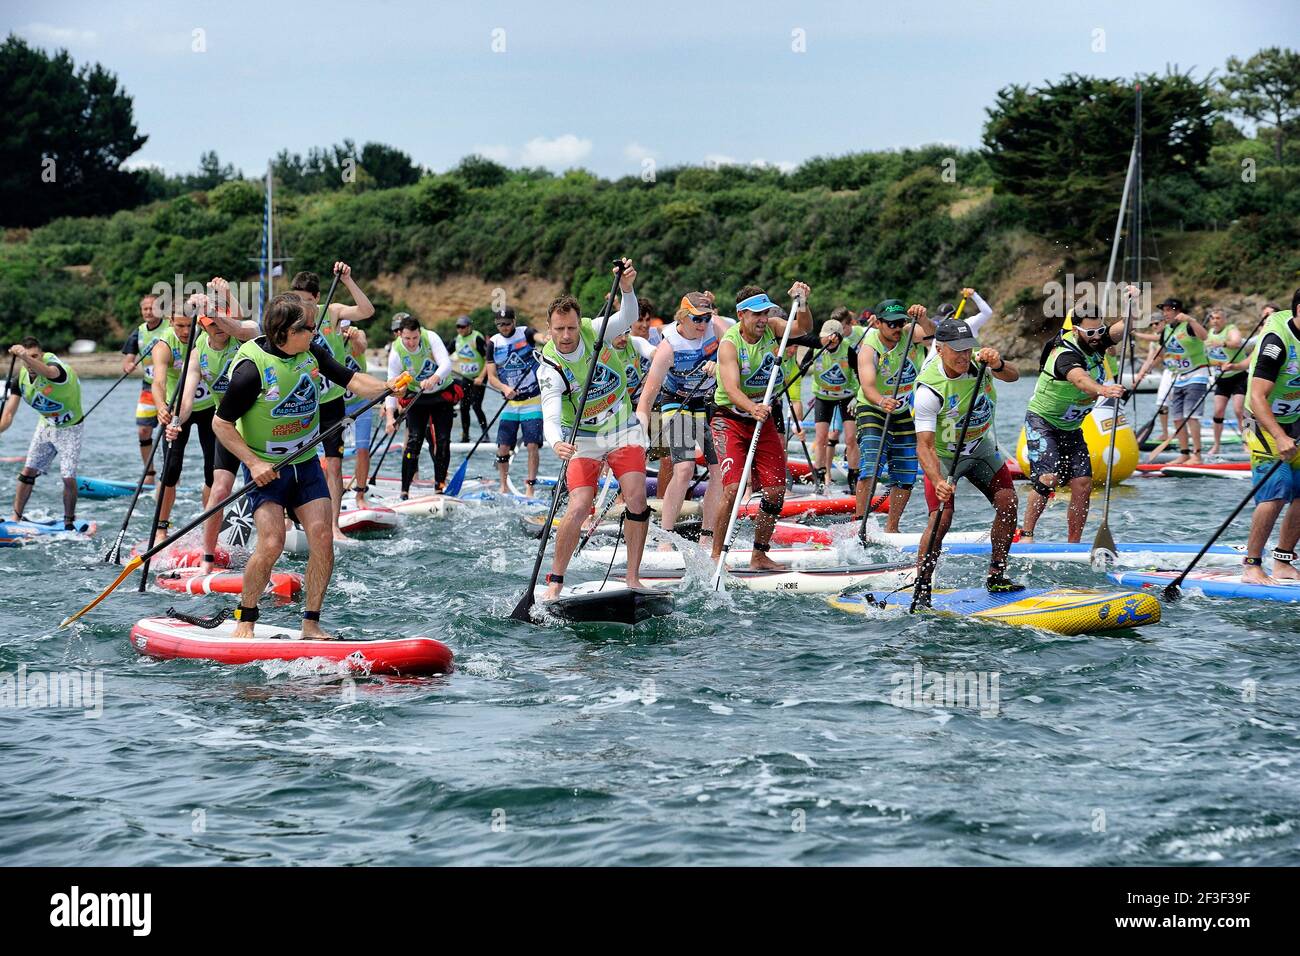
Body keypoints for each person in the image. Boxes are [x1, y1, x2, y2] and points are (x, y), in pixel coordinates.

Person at [212, 293, 401, 639]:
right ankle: (246, 619)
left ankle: (310, 622)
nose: (315, 333)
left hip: (305, 463)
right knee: (271, 542)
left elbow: (352, 380)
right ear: (284, 331)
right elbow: (221, 425)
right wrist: (254, 464)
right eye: (308, 328)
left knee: (323, 537)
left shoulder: (310, 351)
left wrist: (389, 388)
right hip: (268, 468)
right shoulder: (250, 370)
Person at [539, 260, 649, 599]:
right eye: (559, 330)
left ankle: (632, 577)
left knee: (636, 496)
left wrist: (627, 287)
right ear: (550, 328)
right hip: (581, 438)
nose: (567, 336)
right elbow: (550, 414)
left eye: (571, 328)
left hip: (622, 429)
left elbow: (628, 317)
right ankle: (555, 581)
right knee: (579, 504)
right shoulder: (550, 367)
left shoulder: (593, 329)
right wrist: (556, 442)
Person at [911, 318, 1022, 605]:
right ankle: (922, 584)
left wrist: (998, 365)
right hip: (945, 457)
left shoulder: (981, 364)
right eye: (956, 350)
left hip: (980, 449)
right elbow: (923, 446)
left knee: (1008, 503)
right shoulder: (929, 390)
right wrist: (937, 481)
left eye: (967, 348)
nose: (963, 356)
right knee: (942, 518)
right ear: (939, 349)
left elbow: (1014, 376)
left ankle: (996, 575)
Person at [710, 282, 813, 571]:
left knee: (775, 491)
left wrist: (802, 302)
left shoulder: (775, 327)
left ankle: (759, 554)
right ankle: (717, 555)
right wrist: (752, 407)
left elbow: (803, 328)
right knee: (732, 489)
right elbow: (730, 388)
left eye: (765, 313)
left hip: (762, 416)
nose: (762, 319)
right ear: (741, 314)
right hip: (729, 417)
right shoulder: (730, 344)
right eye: (755, 314)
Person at [1019, 300, 1130, 542]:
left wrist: (1131, 304)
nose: (1096, 336)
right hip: (1043, 422)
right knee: (1048, 480)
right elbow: (1080, 380)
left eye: (1099, 330)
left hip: (1070, 428)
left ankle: (1074, 542)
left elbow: (1122, 328)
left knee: (1082, 484)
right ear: (1076, 329)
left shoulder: (1096, 340)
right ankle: (1026, 534)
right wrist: (1103, 390)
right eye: (1089, 332)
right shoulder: (1064, 354)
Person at [165, 287, 256, 570]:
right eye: (212, 323)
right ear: (202, 324)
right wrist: (176, 422)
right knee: (219, 491)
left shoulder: (244, 337)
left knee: (265, 490)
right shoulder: (197, 353)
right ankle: (208, 558)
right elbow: (188, 398)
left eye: (222, 320)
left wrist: (218, 304)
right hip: (227, 427)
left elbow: (244, 326)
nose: (220, 327)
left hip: (259, 425)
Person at [637, 292, 735, 551]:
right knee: (684, 469)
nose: (703, 325)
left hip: (707, 404)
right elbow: (646, 398)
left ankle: (707, 536)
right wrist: (638, 434)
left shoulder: (716, 330)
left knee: (719, 473)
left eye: (707, 318)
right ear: (683, 317)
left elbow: (735, 347)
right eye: (697, 319)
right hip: (674, 403)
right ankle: (665, 538)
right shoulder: (669, 347)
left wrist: (722, 365)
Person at [291, 264, 375, 541]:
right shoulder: (291, 318)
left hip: (331, 402)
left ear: (316, 297)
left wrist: (348, 279)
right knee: (294, 463)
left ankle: (334, 526)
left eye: (305, 299)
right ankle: (291, 521)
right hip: (302, 403)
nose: (300, 304)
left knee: (335, 465)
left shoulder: (334, 312)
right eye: (296, 298)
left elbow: (366, 311)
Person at [854, 299, 935, 532]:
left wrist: (923, 318)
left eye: (901, 322)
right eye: (891, 324)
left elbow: (933, 335)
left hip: (904, 409)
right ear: (878, 323)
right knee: (871, 463)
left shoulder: (910, 334)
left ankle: (892, 528)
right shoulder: (869, 349)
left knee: (906, 471)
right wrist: (882, 400)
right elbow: (868, 386)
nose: (897, 328)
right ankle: (861, 523)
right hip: (873, 406)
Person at [1240, 290, 1300, 586]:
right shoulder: (1277, 343)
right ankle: (1251, 566)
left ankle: (1283, 561)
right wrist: (1279, 436)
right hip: (1261, 420)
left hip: (1295, 418)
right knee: (1277, 490)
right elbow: (1258, 396)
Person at [0, 338, 84, 528]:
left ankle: (69, 522)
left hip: (71, 429)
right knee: (28, 471)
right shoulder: (19, 380)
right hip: (46, 427)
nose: (30, 361)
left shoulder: (56, 369)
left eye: (35, 356)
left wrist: (23, 355)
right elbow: (8, 414)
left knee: (68, 477)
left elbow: (48, 372)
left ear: (42, 355)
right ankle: (16, 518)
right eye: (27, 357)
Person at [384, 314, 458, 495]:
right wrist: (389, 417)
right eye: (407, 338)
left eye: (415, 338)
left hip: (441, 394)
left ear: (420, 332)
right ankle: (405, 490)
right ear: (400, 334)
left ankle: (439, 485)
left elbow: (446, 363)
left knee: (442, 440)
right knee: (413, 441)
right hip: (418, 397)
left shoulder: (430, 337)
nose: (411, 342)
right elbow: (391, 385)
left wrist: (434, 378)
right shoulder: (396, 351)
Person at [1134, 297, 1209, 464]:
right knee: (1176, 418)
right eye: (1164, 311)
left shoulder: (1189, 325)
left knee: (1191, 416)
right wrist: (1144, 371)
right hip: (1179, 377)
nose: (1165, 314)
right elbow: (1160, 355)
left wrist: (1191, 319)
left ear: (1178, 311)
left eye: (1169, 310)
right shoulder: (1167, 330)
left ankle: (1197, 455)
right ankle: (1184, 453)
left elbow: (1204, 337)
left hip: (1197, 375)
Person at [485, 306, 545, 496]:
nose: (504, 327)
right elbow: (492, 376)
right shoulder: (493, 343)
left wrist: (548, 338)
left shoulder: (525, 333)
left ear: (514, 321)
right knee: (503, 446)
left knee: (532, 445)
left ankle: (530, 488)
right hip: (510, 403)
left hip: (533, 400)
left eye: (507, 323)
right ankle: (503, 486)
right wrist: (504, 388)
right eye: (500, 324)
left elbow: (540, 338)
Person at [802, 318, 859, 494]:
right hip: (823, 396)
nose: (827, 341)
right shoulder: (816, 348)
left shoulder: (848, 350)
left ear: (838, 337)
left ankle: (854, 479)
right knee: (820, 438)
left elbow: (861, 375)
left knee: (850, 438)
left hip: (847, 396)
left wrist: (858, 397)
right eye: (824, 337)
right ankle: (820, 479)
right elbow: (801, 370)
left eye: (830, 338)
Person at [122, 292, 166, 477]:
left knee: (168, 433)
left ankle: (171, 476)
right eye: (145, 308)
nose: (148, 312)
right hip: (148, 387)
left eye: (152, 308)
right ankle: (149, 473)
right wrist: (128, 365)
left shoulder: (171, 326)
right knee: (143, 430)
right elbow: (127, 360)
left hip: (170, 387)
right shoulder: (138, 332)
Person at [1205, 309, 1248, 459]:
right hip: (1221, 378)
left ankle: (1246, 444)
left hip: (1238, 376)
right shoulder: (1210, 332)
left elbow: (1236, 343)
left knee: (1238, 410)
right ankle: (1216, 445)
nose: (1215, 321)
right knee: (1218, 412)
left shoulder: (1231, 329)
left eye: (1218, 318)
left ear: (1224, 320)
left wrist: (1222, 342)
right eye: (1212, 318)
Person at [340, 325, 372, 507]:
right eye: (340, 327)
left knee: (362, 449)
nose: (344, 330)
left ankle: (360, 494)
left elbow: (361, 347)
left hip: (361, 404)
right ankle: (331, 491)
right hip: (338, 405)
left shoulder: (358, 334)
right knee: (333, 454)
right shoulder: (330, 338)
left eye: (346, 327)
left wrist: (353, 338)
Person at [451, 315, 489, 442]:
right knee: (464, 407)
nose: (460, 329)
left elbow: (488, 360)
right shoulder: (456, 340)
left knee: (476, 406)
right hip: (466, 378)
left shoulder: (477, 338)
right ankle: (465, 435)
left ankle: (485, 435)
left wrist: (481, 377)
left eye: (463, 327)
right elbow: (444, 354)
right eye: (458, 327)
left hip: (479, 378)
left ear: (469, 327)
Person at [926, 288, 991, 358]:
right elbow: (929, 360)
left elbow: (987, 313)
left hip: (976, 365)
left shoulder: (969, 324)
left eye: (945, 319)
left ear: (953, 316)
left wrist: (974, 295)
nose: (943, 323)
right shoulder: (940, 336)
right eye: (941, 320)